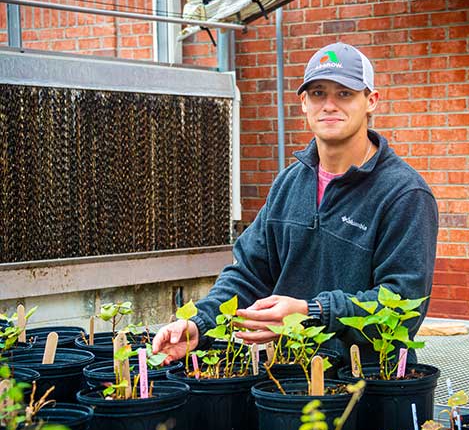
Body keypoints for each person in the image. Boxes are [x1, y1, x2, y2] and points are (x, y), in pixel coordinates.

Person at [153, 42, 438, 366]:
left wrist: (311, 312)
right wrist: (200, 324)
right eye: (318, 93)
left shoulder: (404, 194)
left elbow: (402, 309)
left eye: (344, 93)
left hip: (370, 386)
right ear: (303, 102)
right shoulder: (289, 185)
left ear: (371, 101)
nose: (329, 105)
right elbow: (249, 273)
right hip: (289, 378)